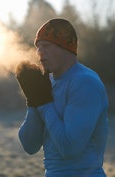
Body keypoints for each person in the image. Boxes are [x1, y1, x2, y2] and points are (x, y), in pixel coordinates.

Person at [15, 18, 109, 177]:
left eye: (46, 46)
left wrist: (44, 104)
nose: (39, 52)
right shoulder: (48, 83)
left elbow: (69, 148)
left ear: (64, 47)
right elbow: (30, 146)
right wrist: (33, 100)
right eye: (38, 47)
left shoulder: (85, 82)